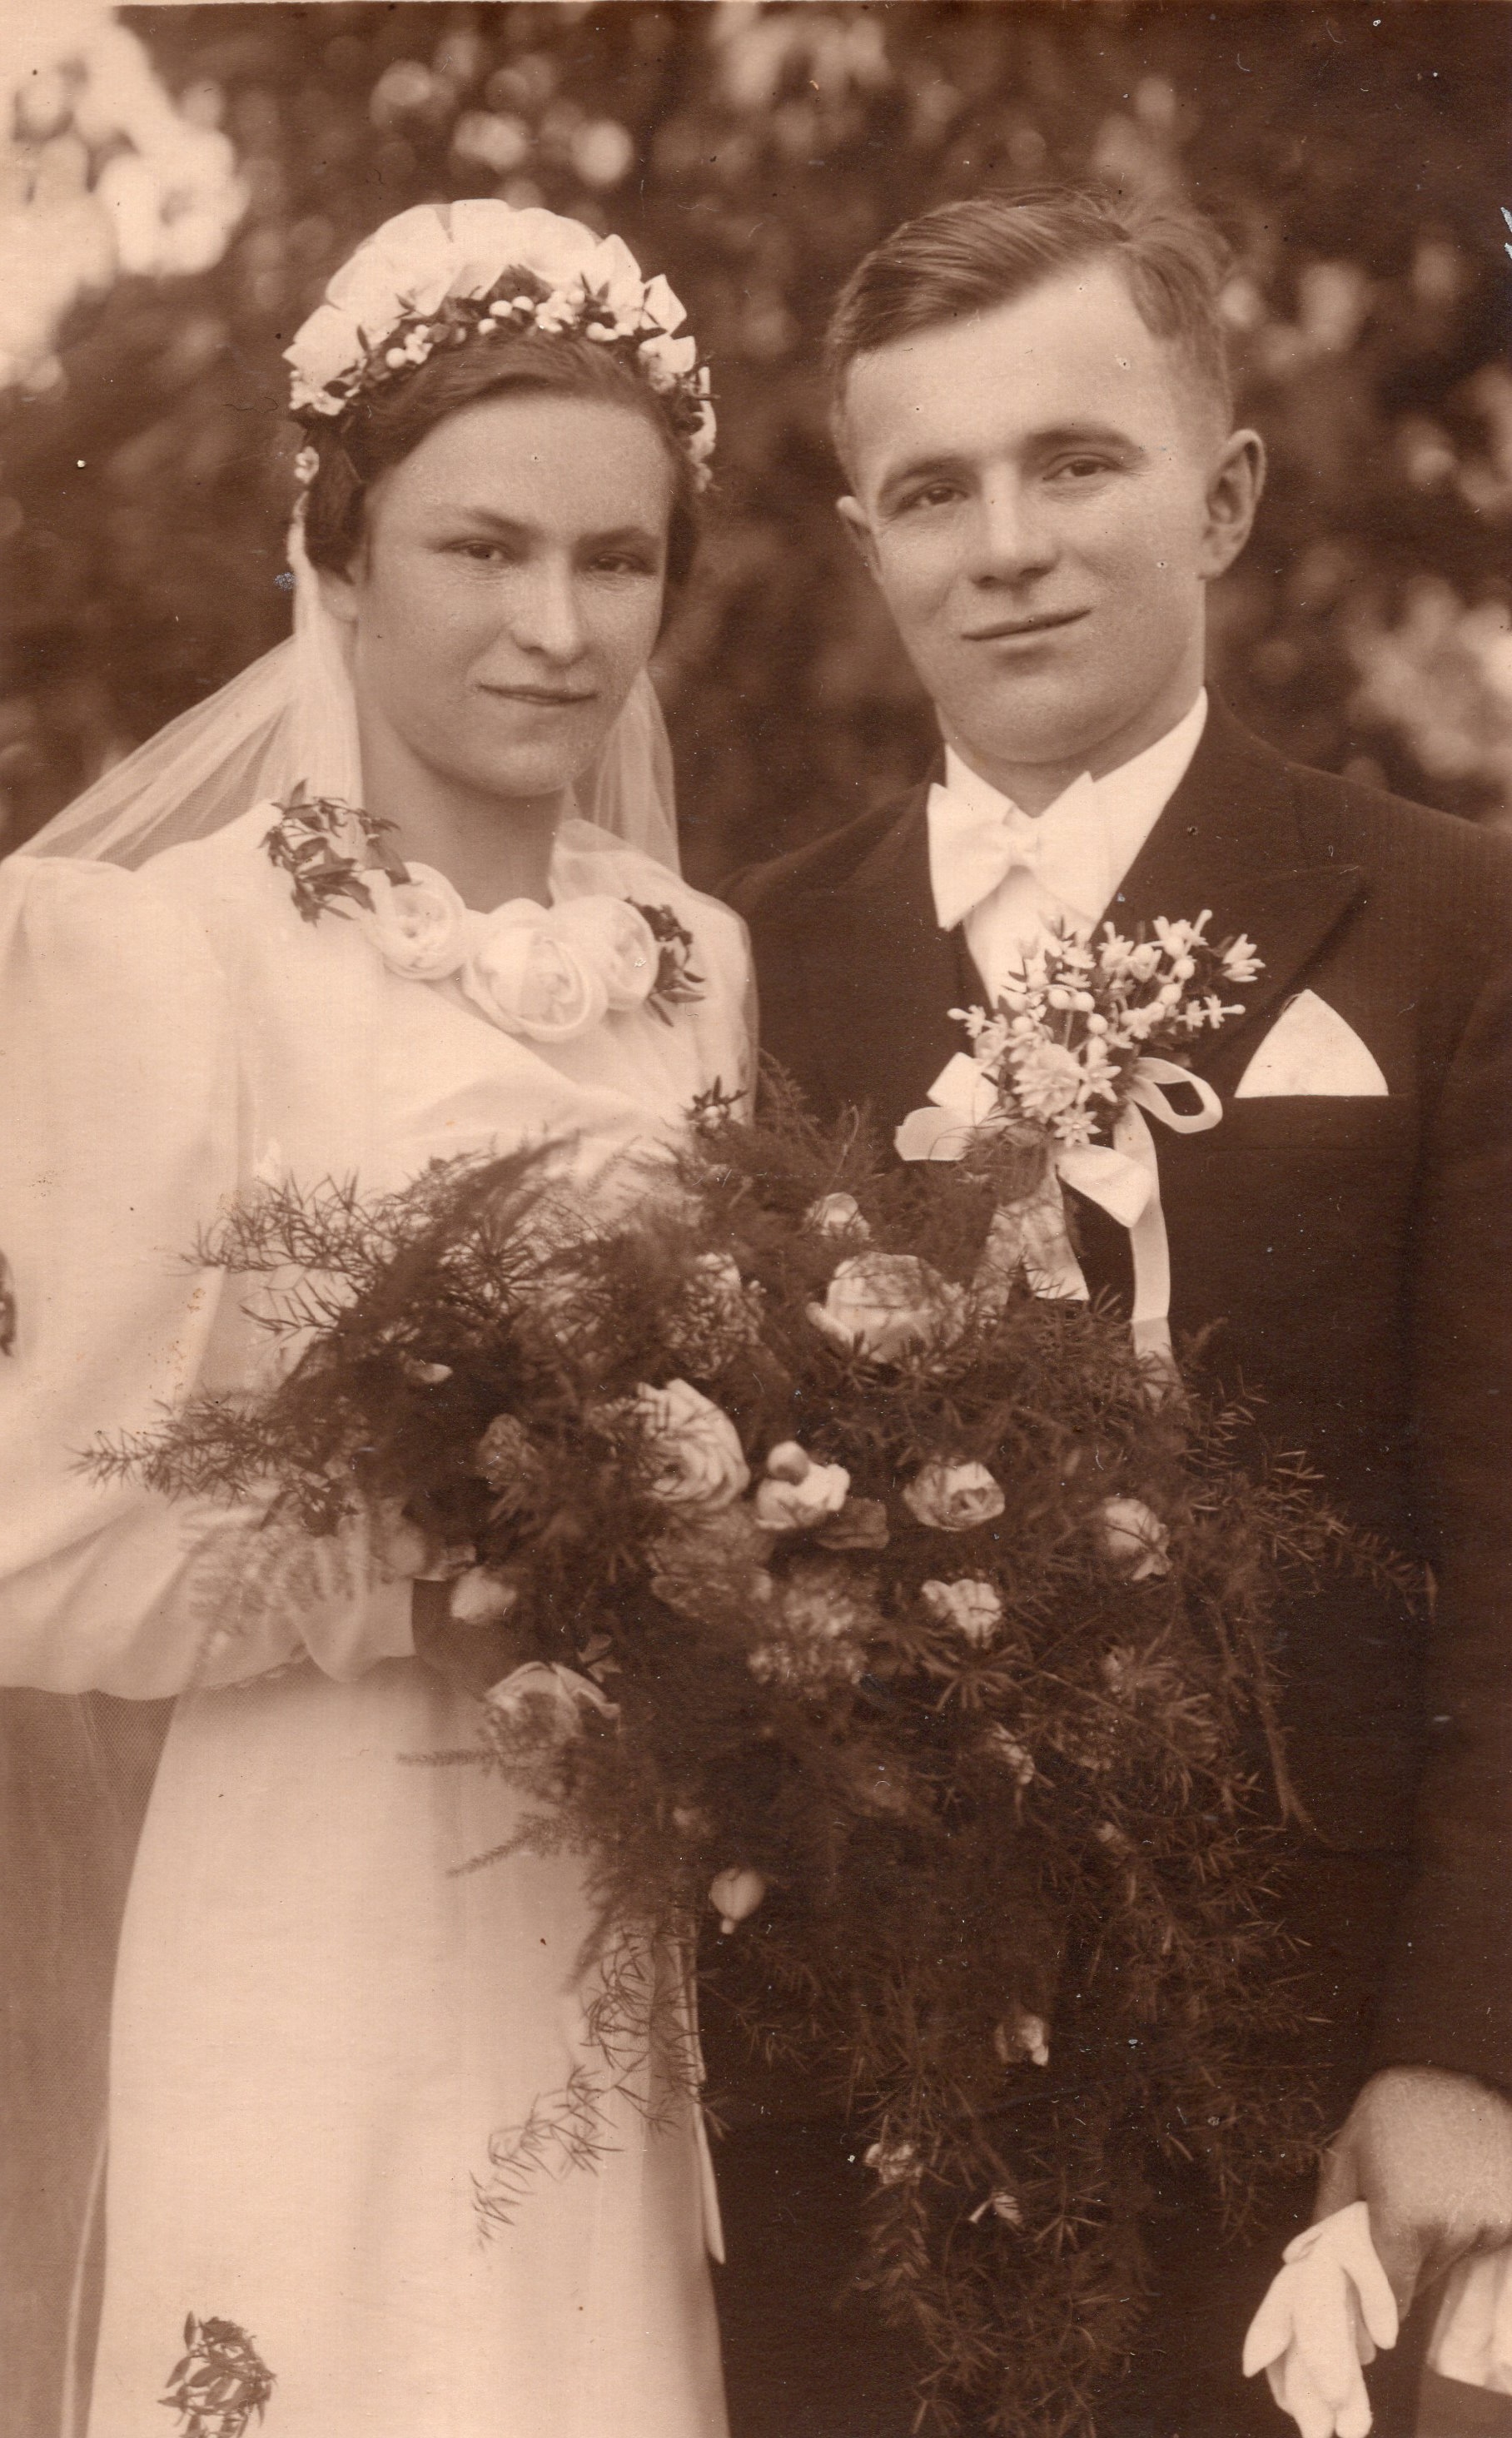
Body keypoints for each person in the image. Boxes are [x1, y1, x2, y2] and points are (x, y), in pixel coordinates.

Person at [723, 187, 1512, 2437]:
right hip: (855, 2090)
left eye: (1078, 463)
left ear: (1224, 495)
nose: (1009, 549)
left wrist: (1462, 2053)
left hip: (1307, 2063)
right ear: (866, 544)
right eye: (933, 491)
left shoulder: (1448, 926)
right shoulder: (757, 963)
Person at [0, 199, 749, 2438]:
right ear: (338, 558)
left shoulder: (697, 968)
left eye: (616, 561)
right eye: (480, 549)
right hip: (313, 1917)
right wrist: (426, 1572)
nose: (556, 627)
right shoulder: (167, 956)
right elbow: (34, 1549)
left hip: (624, 1927)